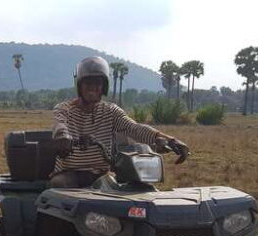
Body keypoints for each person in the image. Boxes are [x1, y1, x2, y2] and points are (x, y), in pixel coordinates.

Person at [50, 56, 190, 188]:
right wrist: (63, 137)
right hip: (70, 173)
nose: (93, 87)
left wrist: (170, 140)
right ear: (79, 85)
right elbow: (60, 126)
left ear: (104, 86)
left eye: (98, 82)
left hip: (102, 175)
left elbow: (133, 128)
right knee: (59, 185)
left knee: (131, 191)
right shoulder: (64, 109)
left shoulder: (110, 111)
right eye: (88, 82)